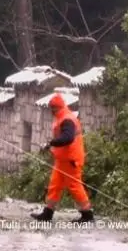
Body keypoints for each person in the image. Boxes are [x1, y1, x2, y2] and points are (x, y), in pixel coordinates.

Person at [31, 93, 94, 223]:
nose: (51, 111)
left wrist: (50, 143)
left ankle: (87, 215)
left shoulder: (67, 119)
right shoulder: (62, 117)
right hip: (62, 160)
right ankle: (47, 213)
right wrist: (52, 145)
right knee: (54, 185)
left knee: (74, 186)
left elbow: (67, 138)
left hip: (71, 159)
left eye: (52, 108)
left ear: (56, 108)